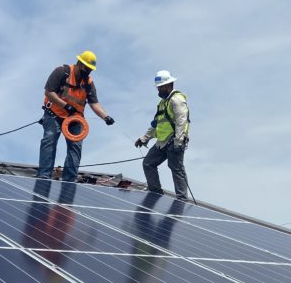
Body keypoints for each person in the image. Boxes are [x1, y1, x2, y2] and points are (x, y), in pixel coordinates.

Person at [36, 50, 115, 180]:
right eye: (86, 68)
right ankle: (44, 176)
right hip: (54, 114)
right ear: (79, 63)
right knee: (49, 140)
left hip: (75, 119)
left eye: (90, 70)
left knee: (75, 147)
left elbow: (94, 103)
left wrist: (105, 116)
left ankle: (69, 180)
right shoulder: (62, 72)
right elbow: (49, 92)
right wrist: (65, 105)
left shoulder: (88, 83)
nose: (88, 72)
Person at [134, 70, 190, 199]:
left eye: (160, 87)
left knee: (176, 169)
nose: (158, 90)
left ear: (168, 85)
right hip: (162, 142)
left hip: (174, 142)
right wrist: (144, 139)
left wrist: (179, 141)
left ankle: (181, 199)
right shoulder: (162, 104)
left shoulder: (177, 99)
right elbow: (156, 124)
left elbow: (182, 121)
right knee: (148, 163)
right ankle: (156, 193)